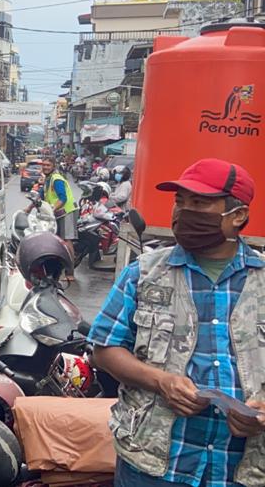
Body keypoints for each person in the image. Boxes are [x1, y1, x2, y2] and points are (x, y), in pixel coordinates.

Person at [88, 158, 265, 487]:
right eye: (179, 202)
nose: (183, 213)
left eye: (199, 203)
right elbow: (105, 349)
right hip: (153, 465)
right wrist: (160, 381)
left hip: (243, 470)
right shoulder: (144, 272)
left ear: (238, 215)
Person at [34, 157, 78, 242]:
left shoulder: (56, 179)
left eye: (48, 165)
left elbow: (63, 198)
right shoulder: (48, 179)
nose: (45, 167)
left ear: (53, 167)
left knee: (66, 240)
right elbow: (41, 196)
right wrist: (29, 208)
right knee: (57, 240)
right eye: (44, 165)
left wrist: (52, 209)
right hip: (58, 213)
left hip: (67, 212)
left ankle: (71, 256)